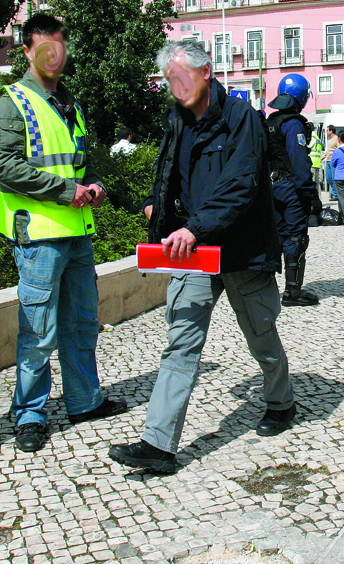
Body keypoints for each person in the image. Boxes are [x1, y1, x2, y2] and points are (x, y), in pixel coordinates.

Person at [108, 40, 295, 474]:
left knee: (261, 336)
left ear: (206, 71)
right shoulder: (177, 122)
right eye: (169, 81)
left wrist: (195, 227)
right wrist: (155, 205)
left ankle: (280, 401)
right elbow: (165, 172)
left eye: (181, 77)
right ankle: (158, 445)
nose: (175, 87)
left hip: (241, 250)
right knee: (181, 343)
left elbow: (241, 185)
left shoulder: (243, 121)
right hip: (195, 253)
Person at [0, 13, 127, 454]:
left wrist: (96, 185)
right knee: (38, 330)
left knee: (82, 323)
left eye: (59, 46)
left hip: (76, 231)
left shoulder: (70, 104)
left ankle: (85, 400)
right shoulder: (11, 101)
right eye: (43, 46)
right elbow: (2, 167)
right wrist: (68, 191)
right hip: (38, 234)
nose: (53, 54)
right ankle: (29, 414)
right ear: (27, 50)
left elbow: (82, 163)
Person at [265, 74, 322, 307]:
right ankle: (293, 292)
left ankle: (265, 289)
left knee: (276, 237)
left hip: (272, 188)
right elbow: (299, 163)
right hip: (291, 189)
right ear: (301, 97)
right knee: (295, 238)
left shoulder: (271, 121)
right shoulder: (293, 124)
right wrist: (311, 195)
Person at [323, 125, 340, 200]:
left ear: (331, 131)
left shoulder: (336, 138)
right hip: (328, 160)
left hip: (334, 160)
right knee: (328, 178)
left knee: (334, 178)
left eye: (327, 130)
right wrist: (323, 157)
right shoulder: (329, 140)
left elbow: (339, 148)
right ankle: (335, 191)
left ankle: (335, 195)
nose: (326, 131)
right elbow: (328, 150)